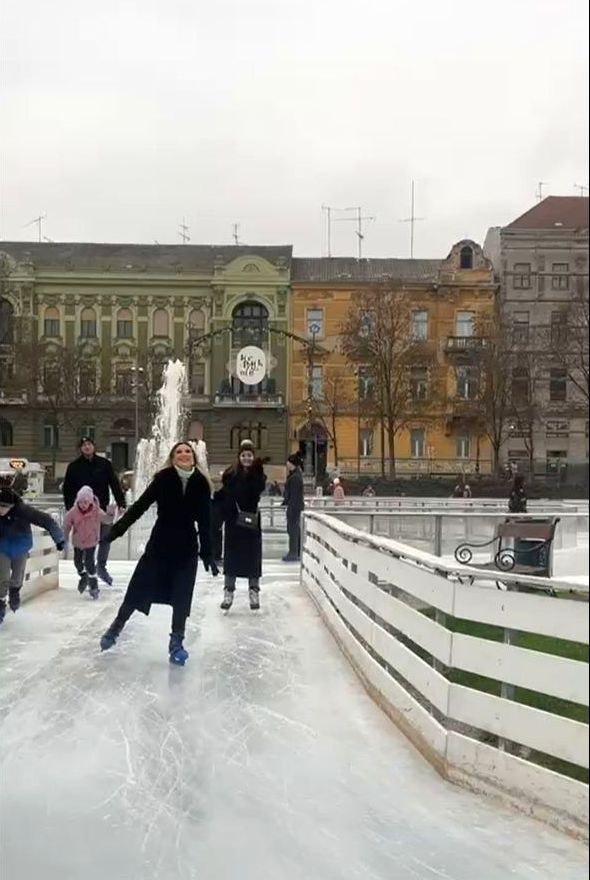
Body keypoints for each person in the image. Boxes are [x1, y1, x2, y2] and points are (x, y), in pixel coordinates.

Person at [98, 442, 217, 665]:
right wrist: (116, 531)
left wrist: (208, 552)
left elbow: (205, 520)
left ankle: (176, 642)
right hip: (160, 545)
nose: (184, 454)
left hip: (186, 549)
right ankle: (116, 627)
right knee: (138, 588)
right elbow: (140, 506)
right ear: (173, 458)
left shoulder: (201, 483)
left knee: (182, 596)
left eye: (188, 451)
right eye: (179, 451)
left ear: (194, 457)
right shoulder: (163, 479)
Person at [62, 437, 127, 586]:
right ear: (80, 448)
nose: (86, 447)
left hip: (100, 509)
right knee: (84, 543)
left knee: (106, 538)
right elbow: (68, 489)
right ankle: (85, 570)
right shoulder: (74, 466)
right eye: (83, 445)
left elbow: (114, 484)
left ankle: (101, 567)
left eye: (89, 444)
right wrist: (70, 509)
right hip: (82, 512)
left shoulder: (104, 464)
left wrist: (121, 502)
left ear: (94, 446)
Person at [0, 487, 64, 625]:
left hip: (21, 545)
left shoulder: (23, 510)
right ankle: (0, 603)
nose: (1, 510)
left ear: (11, 506)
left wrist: (59, 539)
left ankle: (15, 591)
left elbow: (46, 520)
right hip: (2, 547)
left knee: (17, 576)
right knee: (2, 576)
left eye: (4, 507)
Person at [216, 439, 266, 611]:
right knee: (231, 559)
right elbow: (224, 496)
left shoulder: (258, 475)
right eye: (244, 455)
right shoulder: (230, 475)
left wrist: (254, 471)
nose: (246, 458)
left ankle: (254, 592)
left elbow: (256, 491)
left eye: (250, 455)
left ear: (253, 457)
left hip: (250, 522)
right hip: (233, 523)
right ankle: (228, 592)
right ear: (239, 457)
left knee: (253, 559)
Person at [63, 486, 111, 599]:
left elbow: (107, 520)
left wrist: (111, 514)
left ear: (90, 502)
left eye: (86, 502)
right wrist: (64, 538)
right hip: (78, 541)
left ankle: (94, 586)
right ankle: (83, 576)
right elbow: (66, 525)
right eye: (81, 502)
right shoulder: (73, 512)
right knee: (77, 562)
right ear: (77, 501)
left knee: (89, 563)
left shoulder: (96, 511)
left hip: (91, 541)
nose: (83, 505)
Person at [282, 453, 304, 562]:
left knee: (293, 530)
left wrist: (290, 507)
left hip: (293, 507)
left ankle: (293, 552)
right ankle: (297, 551)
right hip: (294, 506)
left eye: (288, 462)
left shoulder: (295, 477)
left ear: (292, 464)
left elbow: (294, 495)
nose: (286, 464)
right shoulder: (295, 475)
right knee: (295, 529)